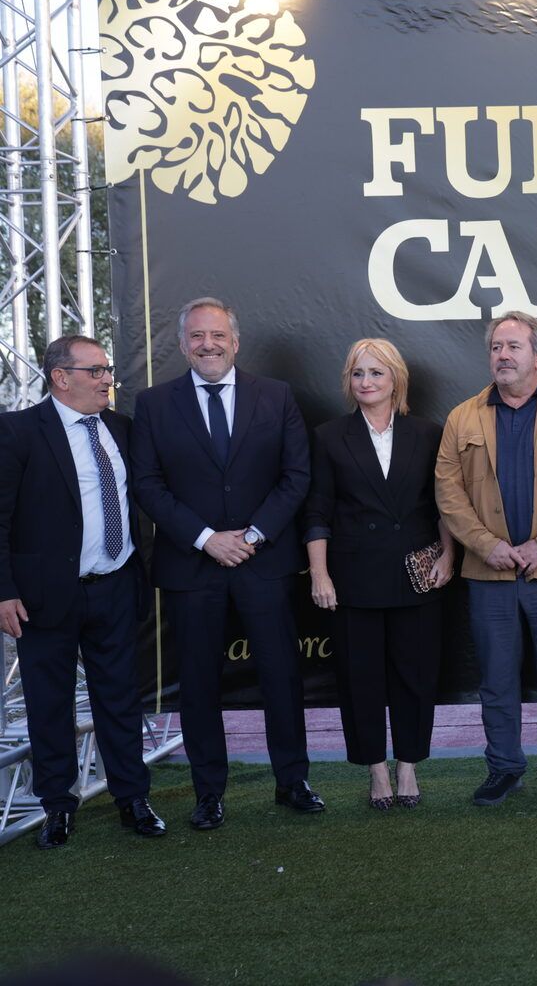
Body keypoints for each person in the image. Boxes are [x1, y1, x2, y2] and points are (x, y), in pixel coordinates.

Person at [131, 297, 320, 830]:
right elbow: (147, 484)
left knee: (281, 676)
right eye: (197, 336)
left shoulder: (276, 396)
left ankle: (293, 781)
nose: (207, 344)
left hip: (264, 561)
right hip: (194, 568)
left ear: (235, 342)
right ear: (183, 344)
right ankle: (208, 792)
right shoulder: (154, 404)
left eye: (217, 335)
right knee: (198, 682)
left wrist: (253, 535)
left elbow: (296, 476)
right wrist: (206, 538)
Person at [0, 336, 164, 848]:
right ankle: (57, 807)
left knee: (119, 699)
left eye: (107, 370)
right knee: (50, 705)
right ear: (60, 377)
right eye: (95, 371)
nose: (106, 379)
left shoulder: (122, 428)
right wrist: (3, 591)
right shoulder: (18, 432)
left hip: (114, 585)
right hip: (44, 596)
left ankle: (132, 798)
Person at [436, 311, 537, 806]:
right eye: (495, 347)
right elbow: (448, 494)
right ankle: (504, 766)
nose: (502, 356)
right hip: (488, 574)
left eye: (513, 347)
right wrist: (488, 547)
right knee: (497, 678)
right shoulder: (462, 417)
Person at [303, 338, 455, 810]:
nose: (366, 382)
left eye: (376, 373)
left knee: (414, 675)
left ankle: (408, 765)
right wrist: (320, 575)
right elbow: (317, 511)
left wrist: (449, 555)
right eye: (357, 374)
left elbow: (443, 505)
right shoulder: (329, 436)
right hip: (354, 577)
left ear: (396, 380)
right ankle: (375, 771)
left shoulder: (428, 434)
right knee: (360, 678)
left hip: (418, 575)